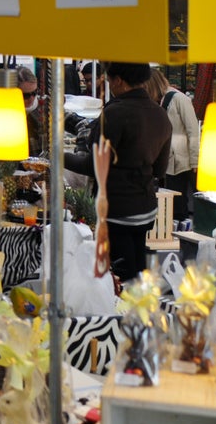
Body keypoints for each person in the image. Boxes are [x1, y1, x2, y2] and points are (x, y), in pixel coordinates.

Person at [65, 62, 172, 282]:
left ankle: (124, 312)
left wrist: (58, 156)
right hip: (145, 207)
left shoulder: (114, 114)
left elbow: (92, 166)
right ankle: (140, 308)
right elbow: (160, 169)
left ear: (119, 81)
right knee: (138, 267)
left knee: (119, 274)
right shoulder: (160, 115)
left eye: (109, 80)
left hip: (117, 209)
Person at [146, 67, 199, 220]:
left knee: (183, 199)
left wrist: (195, 160)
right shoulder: (157, 101)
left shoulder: (179, 99)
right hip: (168, 159)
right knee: (175, 200)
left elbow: (193, 131)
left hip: (184, 160)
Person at [18, 65, 46, 157]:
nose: (31, 98)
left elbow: (77, 122)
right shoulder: (1, 112)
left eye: (34, 93)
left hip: (43, 166)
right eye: (25, 95)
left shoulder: (45, 105)